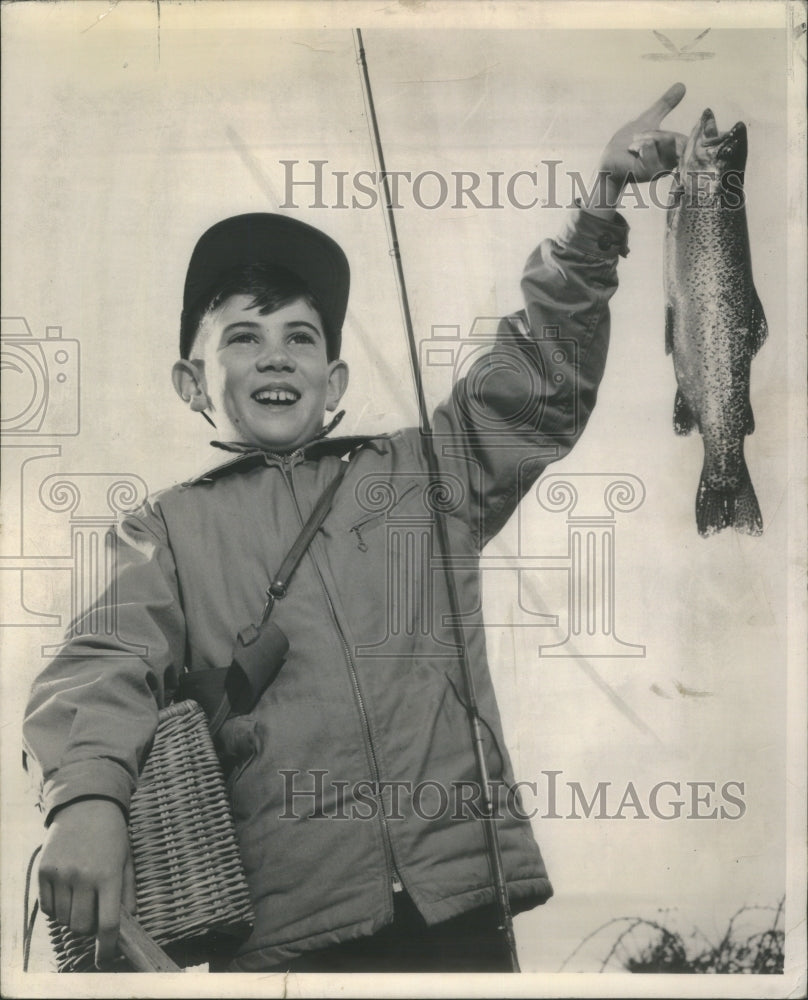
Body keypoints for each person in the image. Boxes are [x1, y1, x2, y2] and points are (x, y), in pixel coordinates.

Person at [22, 84, 687, 973]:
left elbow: (539, 369)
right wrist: (87, 802)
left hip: (465, 916)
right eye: (243, 337)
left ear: (333, 384)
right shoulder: (165, 533)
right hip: (285, 947)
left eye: (301, 338)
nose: (274, 355)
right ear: (192, 383)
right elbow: (98, 666)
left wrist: (598, 209)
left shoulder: (428, 470)